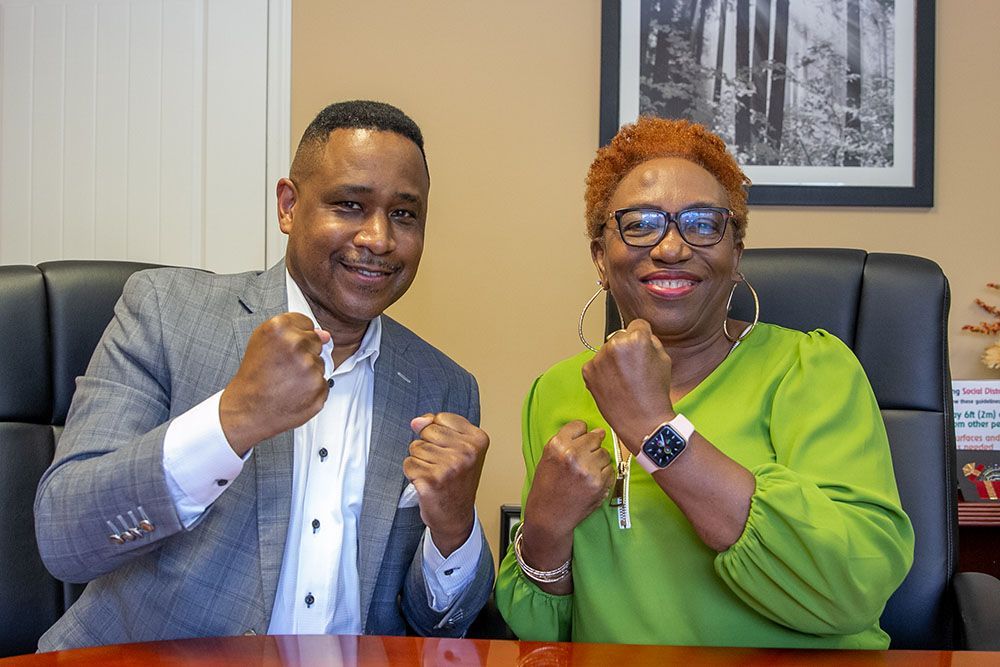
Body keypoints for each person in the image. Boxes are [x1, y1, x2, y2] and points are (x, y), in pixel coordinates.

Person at [33, 100, 494, 650]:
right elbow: (64, 538)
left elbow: (438, 628)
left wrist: (453, 531)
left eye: (404, 214)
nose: (378, 238)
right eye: (349, 205)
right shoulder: (166, 311)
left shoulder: (443, 386)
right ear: (288, 206)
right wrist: (232, 421)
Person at [494, 117, 914, 649]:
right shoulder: (554, 392)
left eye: (702, 223)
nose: (671, 248)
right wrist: (546, 529)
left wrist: (655, 429)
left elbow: (851, 589)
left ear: (735, 254)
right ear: (601, 258)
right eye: (640, 224)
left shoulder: (811, 370)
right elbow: (543, 631)